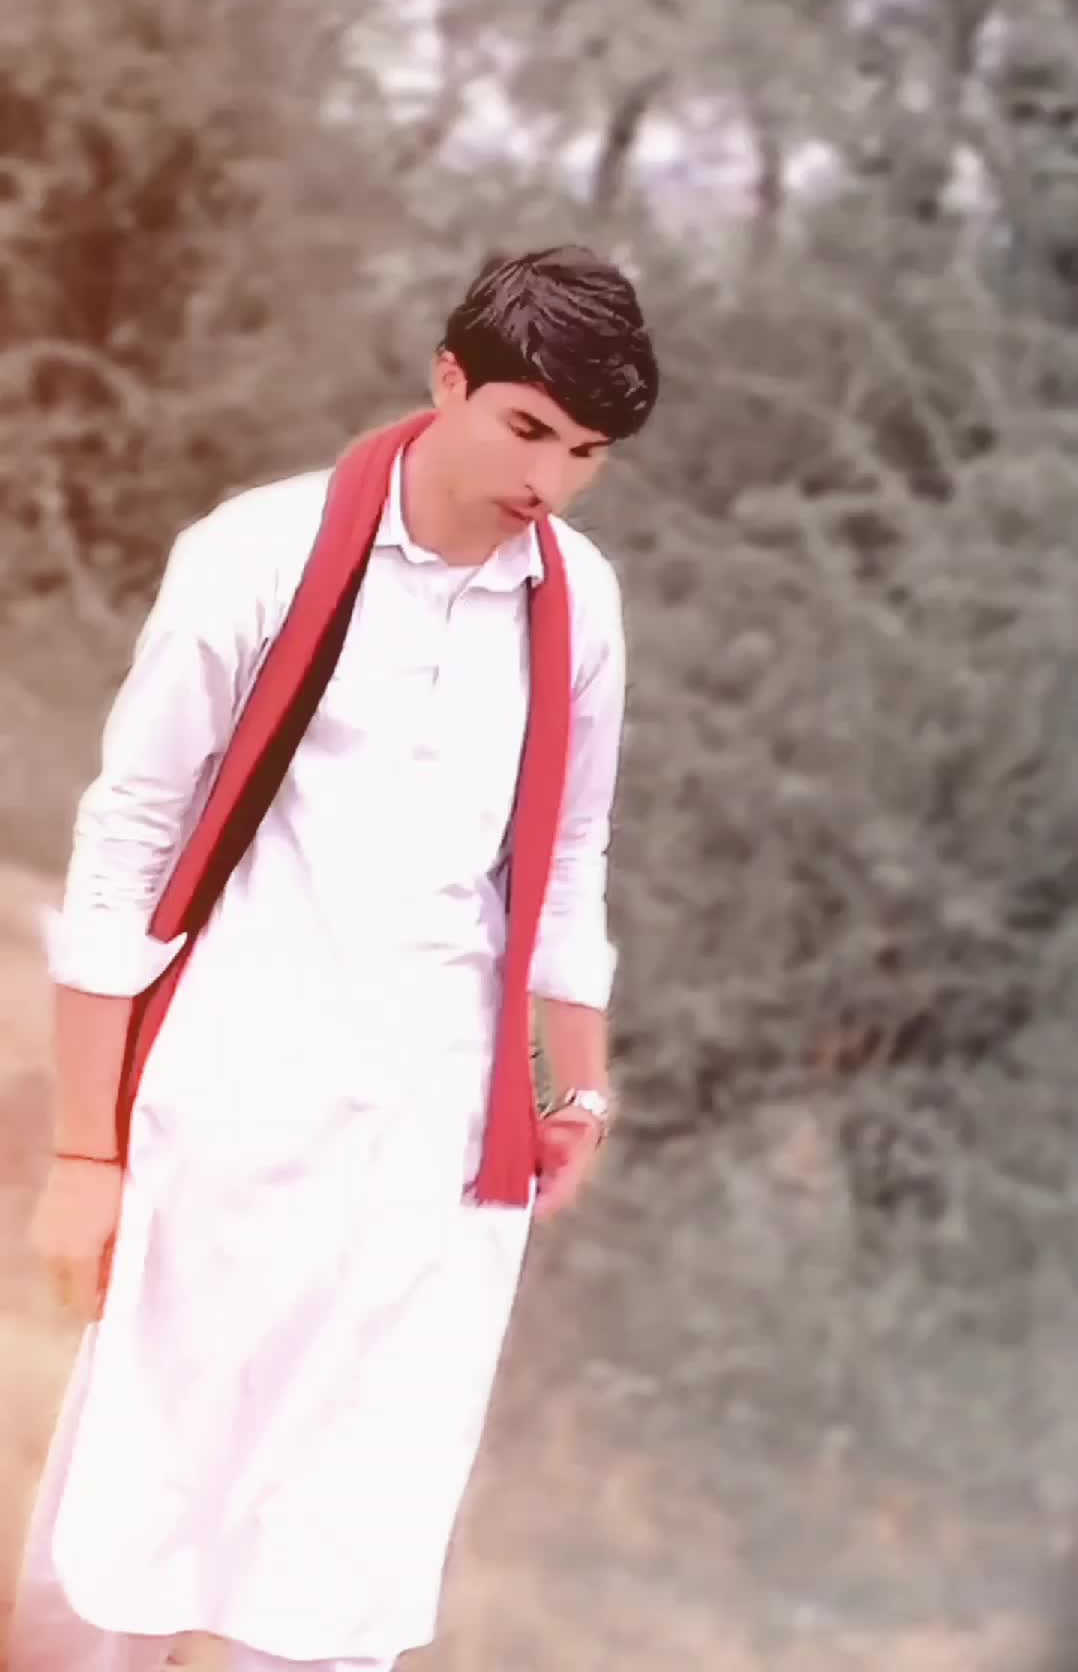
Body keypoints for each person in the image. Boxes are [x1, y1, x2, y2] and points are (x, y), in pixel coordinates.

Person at [9, 244, 660, 1672]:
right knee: (133, 1507)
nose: (551, 480)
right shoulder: (260, 555)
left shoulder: (579, 601)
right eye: (529, 428)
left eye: (586, 452)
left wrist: (579, 1086)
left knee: (351, 1533)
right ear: (448, 379)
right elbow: (129, 842)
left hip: (438, 1133)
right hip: (234, 1100)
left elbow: (569, 852)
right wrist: (84, 1155)